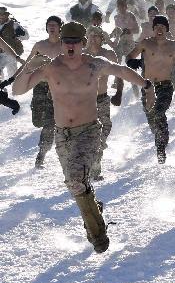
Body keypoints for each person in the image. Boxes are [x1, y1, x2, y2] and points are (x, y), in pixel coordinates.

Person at [12, 22, 154, 253]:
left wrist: (146, 85)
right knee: (74, 184)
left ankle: (98, 236)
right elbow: (18, 90)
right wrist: (30, 65)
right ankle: (94, 208)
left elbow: (121, 70)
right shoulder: (51, 68)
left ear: (82, 44)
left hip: (87, 131)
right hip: (62, 135)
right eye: (66, 42)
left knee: (76, 181)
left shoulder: (94, 65)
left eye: (74, 42)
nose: (69, 46)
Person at [126, 15, 175, 163]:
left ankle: (160, 148)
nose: (159, 30)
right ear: (153, 29)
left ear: (166, 29)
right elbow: (129, 56)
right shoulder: (145, 43)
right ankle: (162, 136)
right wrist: (133, 62)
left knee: (159, 113)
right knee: (152, 119)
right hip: (148, 87)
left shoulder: (173, 46)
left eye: (162, 27)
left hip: (165, 86)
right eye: (157, 27)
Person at [23, 16, 64, 168]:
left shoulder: (65, 45)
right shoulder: (40, 45)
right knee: (37, 121)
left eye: (54, 25)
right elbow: (28, 63)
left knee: (49, 123)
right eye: (49, 25)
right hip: (40, 86)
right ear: (46, 28)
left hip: (58, 87)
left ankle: (41, 155)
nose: (52, 27)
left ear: (60, 27)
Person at [84, 27, 123, 180]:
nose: (93, 39)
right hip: (85, 100)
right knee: (89, 134)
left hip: (102, 98)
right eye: (90, 36)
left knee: (104, 128)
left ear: (102, 38)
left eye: (96, 36)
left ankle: (96, 157)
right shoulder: (81, 55)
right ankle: (91, 168)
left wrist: (119, 93)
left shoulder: (108, 54)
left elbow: (120, 73)